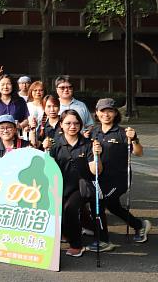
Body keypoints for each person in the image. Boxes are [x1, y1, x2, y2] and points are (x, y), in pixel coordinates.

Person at [88, 98, 150, 247]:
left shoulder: (123, 133)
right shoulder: (93, 132)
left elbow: (139, 153)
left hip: (120, 179)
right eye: (102, 111)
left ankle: (103, 240)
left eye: (110, 111)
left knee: (102, 201)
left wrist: (134, 139)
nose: (106, 114)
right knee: (112, 205)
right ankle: (139, 225)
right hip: (100, 178)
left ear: (115, 113)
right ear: (97, 113)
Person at [44, 109, 103, 257]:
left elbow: (96, 171)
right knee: (57, 210)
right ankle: (73, 231)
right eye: (68, 123)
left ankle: (76, 244)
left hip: (82, 186)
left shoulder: (88, 144)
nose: (72, 126)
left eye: (76, 123)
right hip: (60, 185)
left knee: (70, 209)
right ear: (61, 125)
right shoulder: (55, 144)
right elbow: (48, 168)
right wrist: (45, 150)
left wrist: (97, 156)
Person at [0, 75, 29, 148]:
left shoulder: (20, 101)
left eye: (8, 84)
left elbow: (26, 119)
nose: (5, 87)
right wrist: (2, 128)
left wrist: (19, 125)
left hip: (16, 141)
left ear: (13, 86)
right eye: (2, 84)